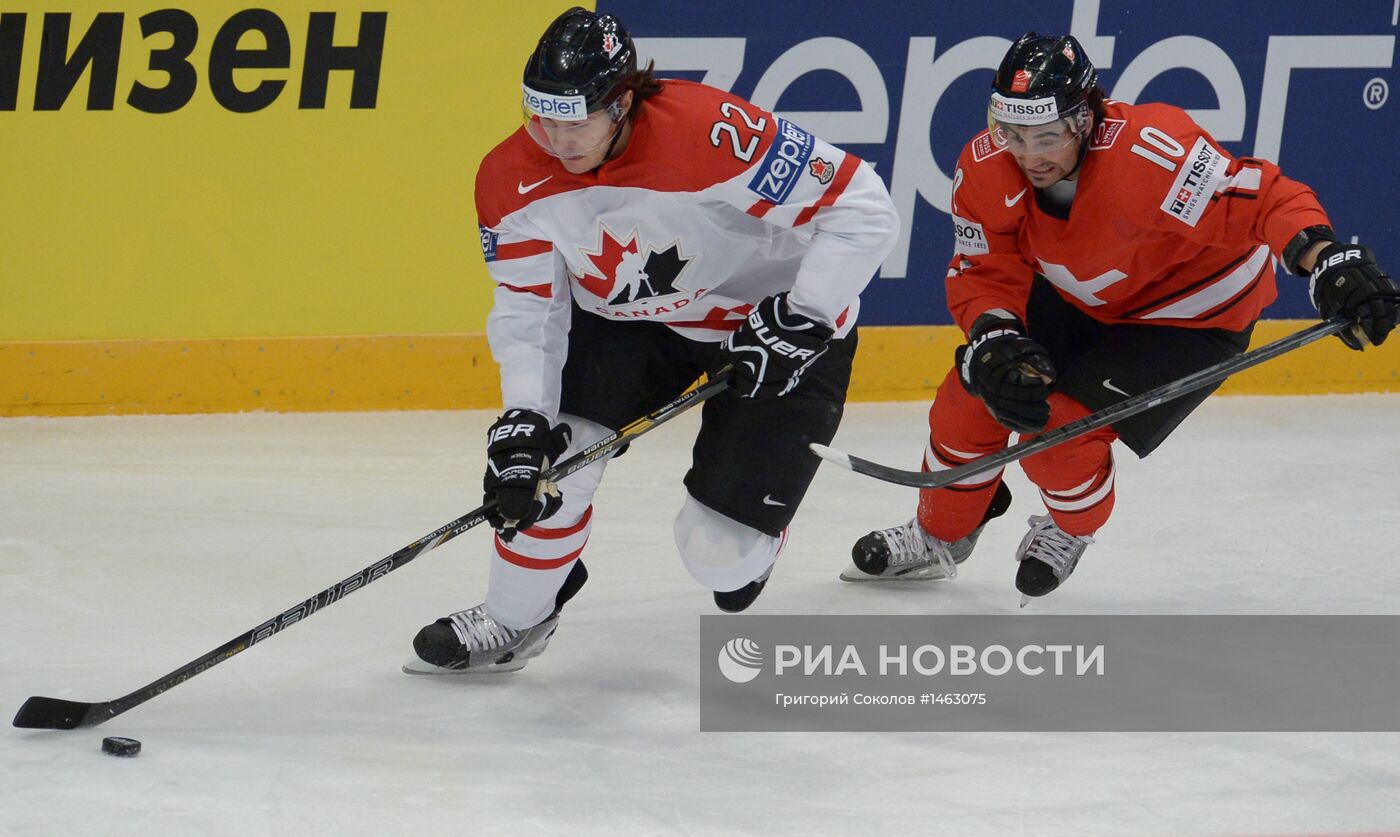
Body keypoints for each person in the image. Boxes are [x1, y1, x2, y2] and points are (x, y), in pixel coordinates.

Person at [405, 8, 899, 673]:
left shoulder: (710, 133)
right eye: (541, 118)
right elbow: (529, 309)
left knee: (719, 556)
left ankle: (752, 527)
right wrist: (524, 415)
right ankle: (516, 616)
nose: (556, 140)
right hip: (631, 321)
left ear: (623, 102)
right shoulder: (508, 178)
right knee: (555, 454)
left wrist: (804, 314)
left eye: (575, 121)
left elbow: (864, 205)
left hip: (771, 330)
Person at [844, 32, 1398, 600]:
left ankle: (1069, 527)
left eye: (1047, 135)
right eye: (1010, 132)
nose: (1029, 154)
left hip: (1188, 317)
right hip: (1081, 295)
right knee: (975, 388)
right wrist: (995, 332)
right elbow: (984, 266)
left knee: (1062, 435)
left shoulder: (1151, 155)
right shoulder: (986, 167)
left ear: (1084, 119)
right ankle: (942, 534)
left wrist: (1328, 258)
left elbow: (1265, 199)